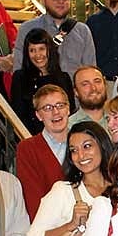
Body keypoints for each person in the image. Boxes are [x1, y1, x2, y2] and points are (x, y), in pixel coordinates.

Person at [12, 0, 96, 82]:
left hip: (74, 96)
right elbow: (19, 69)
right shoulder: (27, 29)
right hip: (41, 95)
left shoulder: (82, 31)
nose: (61, 1)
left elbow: (90, 70)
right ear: (43, 0)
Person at [15, 84, 70, 219]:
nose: (56, 112)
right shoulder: (27, 149)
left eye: (60, 105)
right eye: (47, 108)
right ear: (38, 115)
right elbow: (32, 199)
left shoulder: (84, 143)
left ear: (68, 109)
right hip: (50, 229)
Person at [9, 29, 76, 135]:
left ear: (49, 50)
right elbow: (18, 113)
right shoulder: (20, 77)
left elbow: (70, 112)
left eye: (41, 49)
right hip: (30, 137)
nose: (38, 55)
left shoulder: (63, 78)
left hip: (60, 136)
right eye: (32, 50)